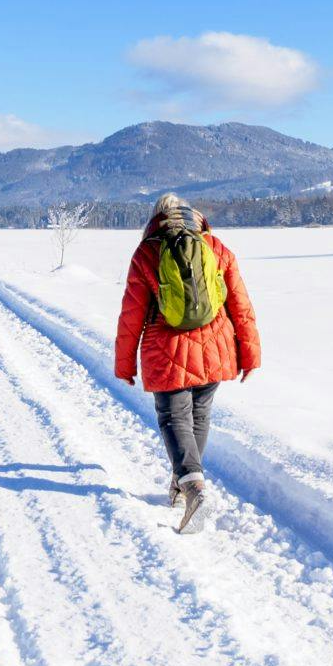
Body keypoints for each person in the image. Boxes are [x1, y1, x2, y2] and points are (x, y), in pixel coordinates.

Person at [114, 193, 260, 531]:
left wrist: (124, 363)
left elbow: (131, 314)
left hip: (167, 350)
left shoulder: (147, 251)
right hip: (215, 348)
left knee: (173, 418)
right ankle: (182, 483)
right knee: (197, 417)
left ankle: (194, 489)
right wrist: (250, 354)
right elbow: (240, 303)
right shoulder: (215, 246)